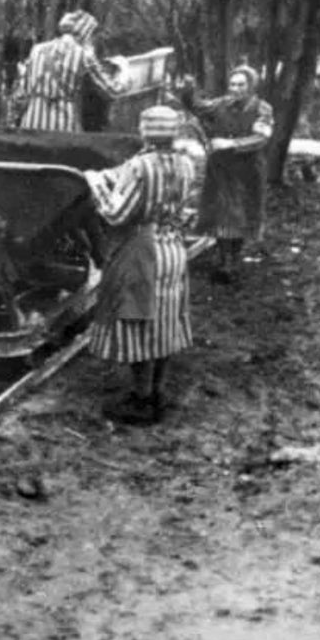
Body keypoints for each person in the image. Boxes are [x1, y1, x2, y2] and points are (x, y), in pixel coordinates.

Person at [83, 105, 196, 425]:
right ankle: (157, 392)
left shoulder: (140, 166)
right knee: (165, 321)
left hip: (143, 250)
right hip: (173, 248)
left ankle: (141, 399)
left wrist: (96, 184)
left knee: (140, 320)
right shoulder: (186, 163)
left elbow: (118, 213)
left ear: (145, 132)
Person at [185, 65, 274, 282]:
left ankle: (232, 259)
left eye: (241, 84)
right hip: (221, 170)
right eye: (233, 84)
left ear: (251, 86)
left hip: (247, 172)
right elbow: (198, 107)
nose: (235, 89)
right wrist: (188, 90)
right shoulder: (221, 104)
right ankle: (226, 262)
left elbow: (262, 138)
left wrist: (231, 143)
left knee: (241, 215)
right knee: (222, 214)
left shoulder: (262, 109)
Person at [13, 10, 125, 132]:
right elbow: (113, 90)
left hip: (30, 126)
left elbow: (20, 93)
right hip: (62, 128)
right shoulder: (84, 55)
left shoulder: (37, 50)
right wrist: (123, 68)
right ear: (85, 34)